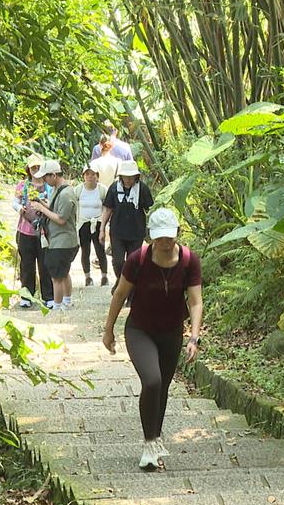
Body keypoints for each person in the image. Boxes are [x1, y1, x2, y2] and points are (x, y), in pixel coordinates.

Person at [102, 208, 203, 471]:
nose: (165, 243)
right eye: (160, 238)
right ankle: (148, 444)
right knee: (152, 380)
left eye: (169, 237)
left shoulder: (189, 260)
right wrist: (108, 329)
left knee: (163, 387)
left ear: (177, 233)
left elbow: (195, 301)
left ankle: (155, 439)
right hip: (140, 329)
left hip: (171, 332)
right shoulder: (138, 259)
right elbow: (120, 294)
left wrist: (194, 337)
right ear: (151, 236)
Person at [28, 160, 79, 311]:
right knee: (63, 272)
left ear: (54, 175)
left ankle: (57, 306)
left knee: (56, 276)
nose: (44, 180)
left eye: (46, 177)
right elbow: (54, 209)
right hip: (59, 240)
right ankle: (67, 302)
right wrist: (42, 203)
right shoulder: (58, 189)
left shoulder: (66, 194)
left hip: (62, 241)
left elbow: (61, 219)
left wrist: (41, 209)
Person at [99, 160, 153, 297]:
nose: (128, 180)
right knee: (117, 262)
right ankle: (121, 281)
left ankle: (130, 294)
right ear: (121, 176)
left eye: (131, 177)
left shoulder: (143, 189)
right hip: (117, 231)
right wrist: (102, 229)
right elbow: (108, 208)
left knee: (133, 263)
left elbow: (150, 209)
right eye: (125, 176)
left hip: (136, 232)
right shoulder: (114, 188)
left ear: (136, 177)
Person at [12, 153, 54, 308]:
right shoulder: (23, 185)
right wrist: (19, 208)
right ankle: (26, 296)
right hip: (25, 230)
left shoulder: (49, 186)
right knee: (26, 265)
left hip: (44, 231)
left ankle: (48, 296)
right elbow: (14, 202)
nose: (36, 170)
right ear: (28, 169)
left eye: (38, 167)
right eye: (33, 167)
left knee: (45, 264)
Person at [75, 164, 109, 287]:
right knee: (85, 250)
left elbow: (107, 206)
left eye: (93, 174)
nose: (90, 177)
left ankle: (104, 276)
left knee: (100, 250)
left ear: (97, 176)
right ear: (83, 176)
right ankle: (88, 277)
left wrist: (104, 225)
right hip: (83, 223)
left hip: (98, 223)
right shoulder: (78, 190)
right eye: (87, 174)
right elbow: (74, 204)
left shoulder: (102, 189)